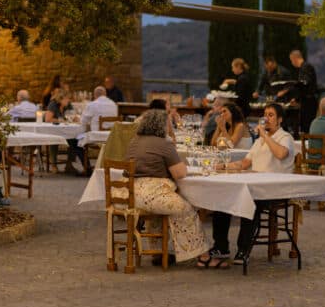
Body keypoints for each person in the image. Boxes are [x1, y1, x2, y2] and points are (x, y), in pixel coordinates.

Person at [208, 103, 296, 266]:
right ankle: (221, 246)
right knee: (223, 199)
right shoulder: (259, 141)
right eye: (265, 115)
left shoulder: (285, 138)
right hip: (255, 185)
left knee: (250, 202)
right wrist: (223, 167)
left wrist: (264, 135)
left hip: (275, 189)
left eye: (271, 115)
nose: (266, 119)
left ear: (280, 120)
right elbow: (245, 162)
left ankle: (243, 249)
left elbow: (281, 154)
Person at [123, 109, 212, 266]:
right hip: (152, 194)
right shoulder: (164, 143)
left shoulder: (134, 141)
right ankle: (203, 256)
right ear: (162, 125)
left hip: (130, 195)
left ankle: (158, 253)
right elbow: (179, 173)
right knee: (186, 209)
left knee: (157, 213)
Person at [279, 49, 317, 136]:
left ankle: (307, 144)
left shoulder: (306, 67)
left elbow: (305, 84)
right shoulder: (303, 68)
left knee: (307, 125)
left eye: (291, 60)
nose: (292, 63)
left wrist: (291, 89)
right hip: (305, 100)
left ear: (294, 58)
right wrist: (296, 98)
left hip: (309, 101)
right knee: (304, 125)